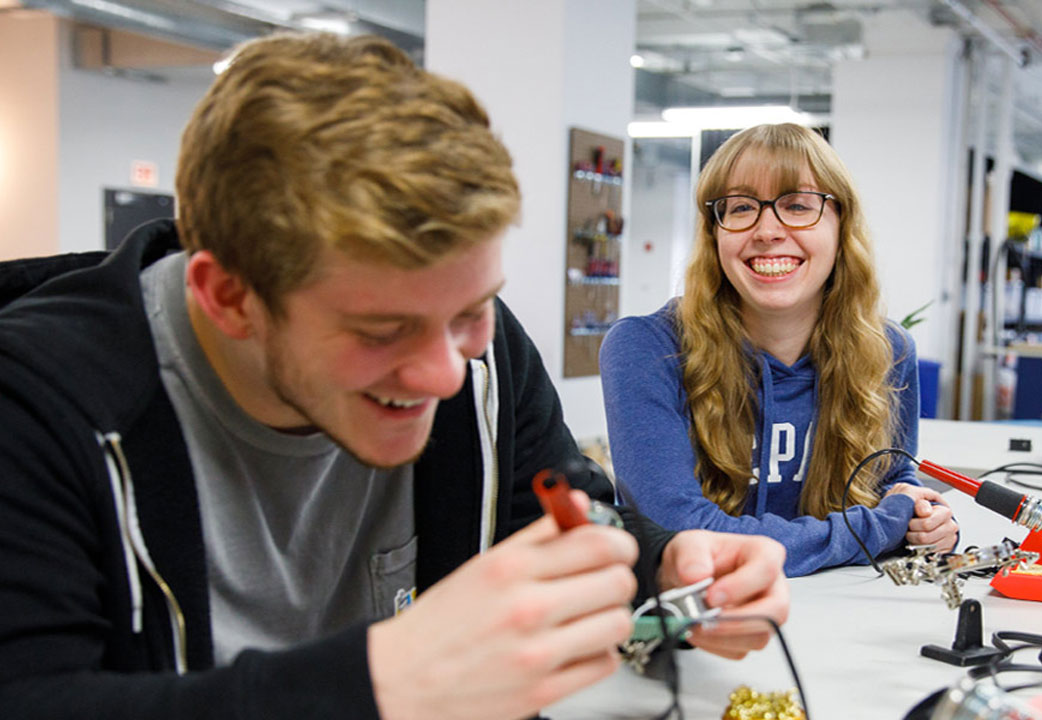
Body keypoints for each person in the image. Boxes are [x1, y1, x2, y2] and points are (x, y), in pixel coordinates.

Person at [0, 33, 789, 720]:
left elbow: (556, 515)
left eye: (472, 310)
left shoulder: (482, 356)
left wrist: (663, 569)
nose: (446, 373)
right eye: (382, 332)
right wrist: (387, 681)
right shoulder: (40, 404)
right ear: (229, 296)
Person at [599, 123, 958, 577]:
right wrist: (884, 526)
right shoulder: (647, 349)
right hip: (704, 623)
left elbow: (893, 486)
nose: (767, 230)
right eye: (742, 207)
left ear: (841, 225)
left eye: (797, 205)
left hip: (841, 620)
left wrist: (929, 524)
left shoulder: (888, 350)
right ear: (714, 234)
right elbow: (684, 537)